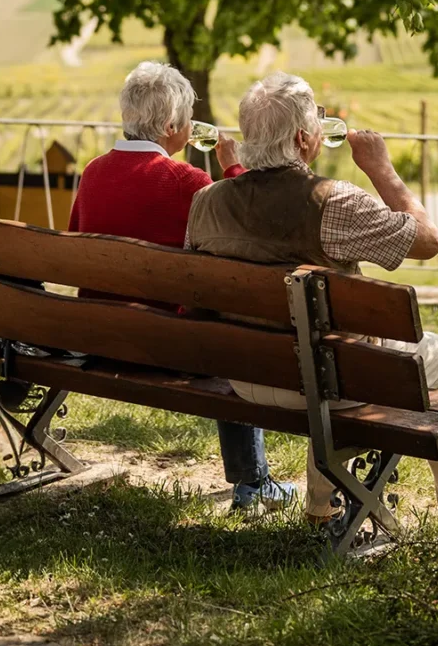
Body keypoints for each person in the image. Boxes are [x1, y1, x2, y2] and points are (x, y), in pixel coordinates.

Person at [186, 71, 438, 525]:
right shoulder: (332, 201)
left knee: (321, 355)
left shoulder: (206, 202)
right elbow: (427, 241)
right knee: (432, 354)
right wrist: (380, 167)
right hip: (326, 379)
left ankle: (323, 510)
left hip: (246, 375)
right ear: (305, 138)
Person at [68, 61, 296, 512]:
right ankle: (253, 484)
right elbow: (243, 241)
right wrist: (232, 167)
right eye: (189, 117)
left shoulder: (93, 172)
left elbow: (78, 244)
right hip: (169, 349)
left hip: (98, 336)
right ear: (173, 126)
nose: (193, 126)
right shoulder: (188, 182)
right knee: (230, 333)